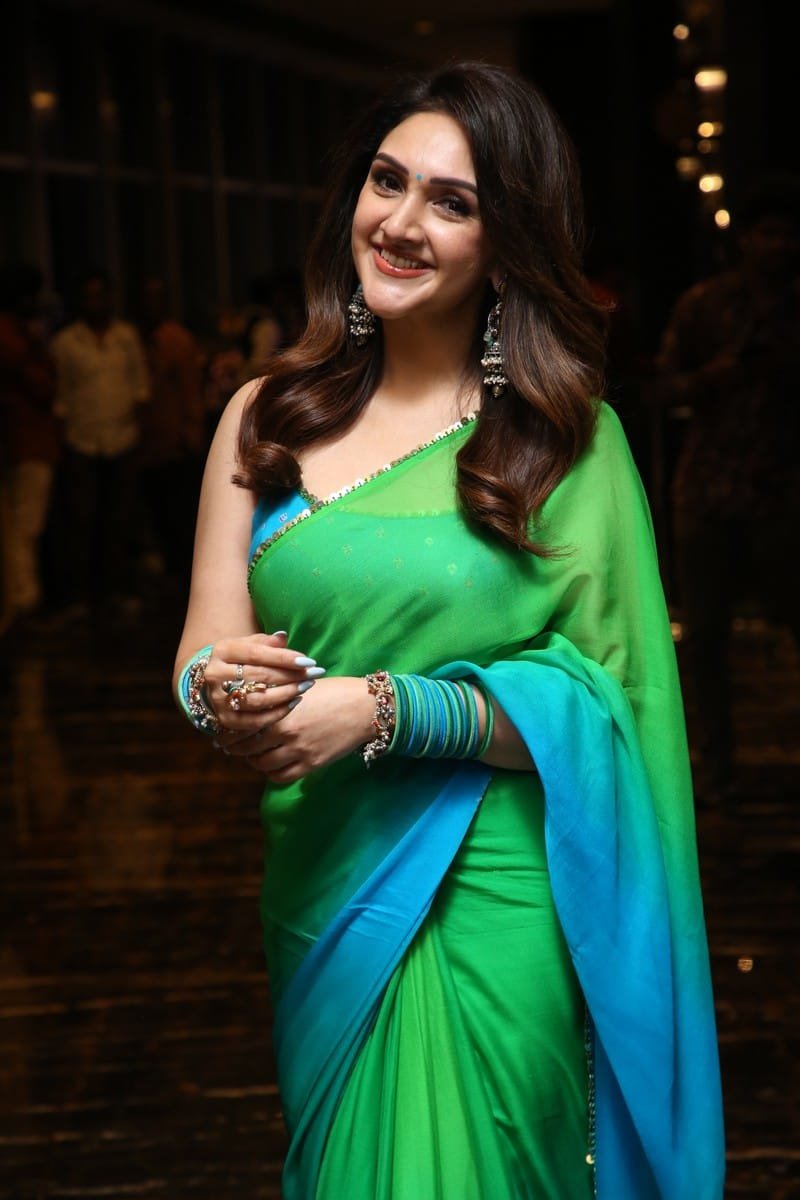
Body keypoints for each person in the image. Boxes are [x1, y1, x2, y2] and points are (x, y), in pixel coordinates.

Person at [174, 62, 724, 1200]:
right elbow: (201, 650)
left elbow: (615, 713)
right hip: (326, 880)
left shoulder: (564, 444)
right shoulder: (264, 415)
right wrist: (218, 694)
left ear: (505, 246)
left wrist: (385, 709)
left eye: (451, 202)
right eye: (387, 182)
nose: (400, 222)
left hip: (496, 893)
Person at [657, 174, 800, 802]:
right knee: (706, 637)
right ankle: (716, 768)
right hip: (710, 489)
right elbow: (665, 388)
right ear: (746, 239)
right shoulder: (705, 305)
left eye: (787, 235)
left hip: (783, 492)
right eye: (768, 233)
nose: (778, 246)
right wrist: (716, 375)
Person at [51, 270, 150, 620]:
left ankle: (118, 591)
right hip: (81, 441)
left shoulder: (126, 337)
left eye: (100, 295)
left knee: (120, 520)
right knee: (81, 522)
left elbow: (140, 388)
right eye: (89, 296)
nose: (96, 303)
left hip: (122, 440)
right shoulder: (65, 342)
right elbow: (61, 396)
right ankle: (80, 596)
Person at [0, 261, 60, 626]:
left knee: (20, 528)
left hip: (25, 442)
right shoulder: (12, 338)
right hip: (24, 442)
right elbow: (41, 386)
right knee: (23, 528)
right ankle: (23, 605)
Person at [137, 277, 205, 579]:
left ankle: (180, 576)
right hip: (145, 442)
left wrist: (191, 430)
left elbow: (191, 388)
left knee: (178, 513)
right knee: (155, 512)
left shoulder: (177, 339)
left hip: (175, 439)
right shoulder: (134, 338)